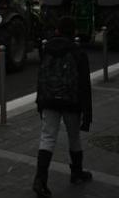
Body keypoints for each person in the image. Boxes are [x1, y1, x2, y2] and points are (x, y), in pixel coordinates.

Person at [33, 16, 93, 198]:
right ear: (73, 32)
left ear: (57, 30)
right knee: (74, 137)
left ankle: (40, 180)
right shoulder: (78, 53)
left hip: (49, 100)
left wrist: (40, 102)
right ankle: (76, 173)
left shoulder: (46, 49)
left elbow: (41, 78)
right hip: (71, 102)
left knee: (47, 138)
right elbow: (84, 85)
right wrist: (87, 113)